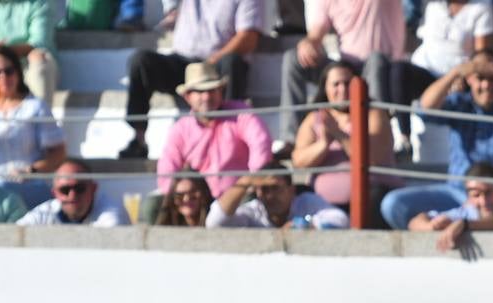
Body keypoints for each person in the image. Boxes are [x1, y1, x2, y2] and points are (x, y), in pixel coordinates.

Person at [379, 49, 493, 231]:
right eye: (480, 77)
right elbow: (425, 108)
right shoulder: (460, 103)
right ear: (469, 79)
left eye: (492, 78)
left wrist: (477, 196)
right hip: (456, 191)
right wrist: (455, 72)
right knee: (393, 204)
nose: (486, 85)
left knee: (480, 217)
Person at [117, 0, 264, 159]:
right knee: (140, 61)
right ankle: (138, 139)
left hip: (218, 65)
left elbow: (248, 38)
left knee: (233, 62)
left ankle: (227, 137)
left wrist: (213, 60)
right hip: (183, 63)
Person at [290, 60, 400, 220]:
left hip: (372, 197)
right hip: (323, 204)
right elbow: (298, 162)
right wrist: (323, 144)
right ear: (325, 88)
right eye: (336, 84)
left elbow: (372, 158)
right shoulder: (314, 118)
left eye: (348, 83)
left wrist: (339, 134)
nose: (342, 89)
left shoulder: (374, 114)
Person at [278, 0, 403, 140]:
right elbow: (316, 33)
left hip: (382, 66)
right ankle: (290, 139)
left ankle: (379, 137)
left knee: (375, 60)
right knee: (293, 58)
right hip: (347, 67)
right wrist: (309, 44)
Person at [388, 0, 493, 157]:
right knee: (397, 70)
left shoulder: (482, 7)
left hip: (459, 77)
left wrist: (463, 75)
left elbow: (481, 56)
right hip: (426, 72)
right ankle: (404, 137)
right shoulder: (432, 5)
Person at [157, 62, 273, 199]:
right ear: (188, 97)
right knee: (154, 205)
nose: (206, 97)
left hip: (237, 198)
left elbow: (260, 143)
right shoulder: (180, 129)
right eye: (200, 91)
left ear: (220, 91)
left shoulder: (241, 113)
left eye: (211, 90)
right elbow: (168, 167)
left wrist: (253, 181)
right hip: (197, 201)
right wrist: (173, 195)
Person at [0, 46, 65, 208]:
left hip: (30, 185)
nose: (3, 77)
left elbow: (58, 153)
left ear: (18, 73)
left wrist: (32, 171)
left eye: (9, 71)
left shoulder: (36, 106)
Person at [406, 161, 493, 250]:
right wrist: (432, 226)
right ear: (468, 197)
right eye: (476, 195)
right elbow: (415, 222)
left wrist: (464, 225)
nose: (483, 202)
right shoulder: (467, 212)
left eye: (488, 193)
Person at [207, 164, 350, 228]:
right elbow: (214, 223)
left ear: (291, 190)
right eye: (264, 189)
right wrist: (246, 181)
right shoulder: (254, 210)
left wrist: (305, 225)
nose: (270, 196)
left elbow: (341, 220)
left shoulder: (306, 201)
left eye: (275, 188)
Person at [19, 158, 131, 226]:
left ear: (93, 189)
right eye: (65, 190)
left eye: (79, 188)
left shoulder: (112, 212)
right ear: (54, 193)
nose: (72, 195)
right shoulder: (43, 213)